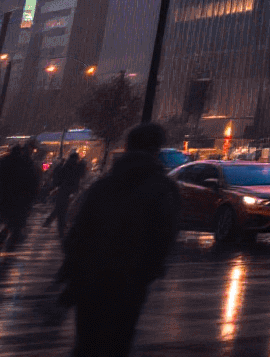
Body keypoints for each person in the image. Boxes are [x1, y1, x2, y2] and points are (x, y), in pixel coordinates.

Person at [57, 122, 180, 357]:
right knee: (117, 343)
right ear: (156, 150)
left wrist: (70, 273)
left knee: (85, 344)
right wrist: (150, 271)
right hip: (129, 283)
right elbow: (164, 238)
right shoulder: (164, 189)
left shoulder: (104, 186)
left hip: (90, 279)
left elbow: (79, 232)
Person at [0, 141, 40, 251]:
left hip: (5, 198)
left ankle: (4, 241)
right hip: (20, 200)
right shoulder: (26, 163)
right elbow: (33, 182)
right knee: (15, 225)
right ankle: (8, 249)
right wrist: (31, 198)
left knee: (8, 222)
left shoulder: (4, 161)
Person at [48, 150, 87, 234]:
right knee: (67, 208)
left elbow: (59, 177)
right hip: (73, 190)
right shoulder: (78, 166)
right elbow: (82, 174)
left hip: (63, 189)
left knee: (61, 208)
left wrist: (56, 186)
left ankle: (59, 226)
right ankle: (61, 226)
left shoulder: (65, 166)